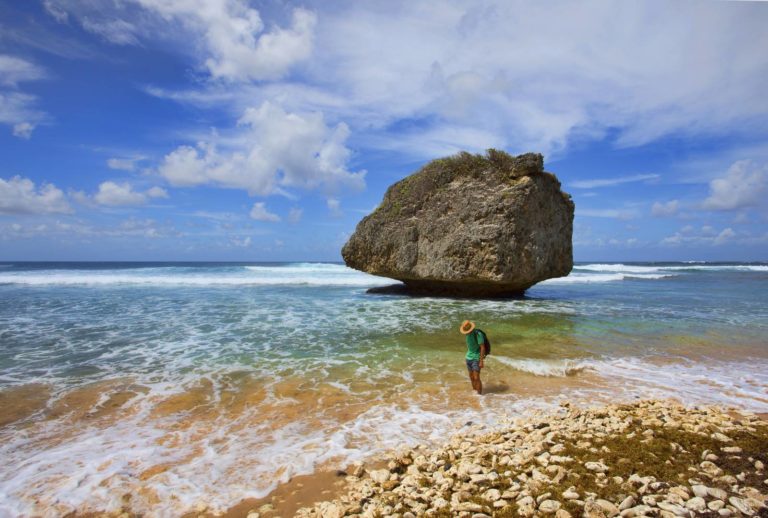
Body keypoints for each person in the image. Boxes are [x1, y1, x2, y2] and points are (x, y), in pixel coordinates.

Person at [460, 320, 487, 394]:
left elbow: (482, 347)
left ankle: (480, 396)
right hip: (468, 358)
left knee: (476, 377)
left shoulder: (478, 334)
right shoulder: (467, 334)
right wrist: (466, 357)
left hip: (476, 358)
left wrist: (481, 361)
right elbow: (470, 346)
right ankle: (475, 394)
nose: (467, 332)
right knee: (472, 378)